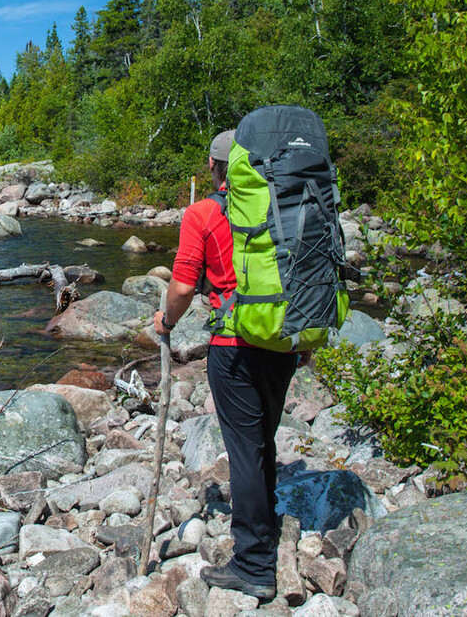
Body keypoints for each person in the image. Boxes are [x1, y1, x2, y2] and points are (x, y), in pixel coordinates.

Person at [152, 129, 309, 601]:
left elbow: (181, 288)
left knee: (245, 449)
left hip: (232, 344)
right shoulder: (283, 207)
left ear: (217, 169)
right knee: (263, 439)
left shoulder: (203, 213)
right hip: (282, 341)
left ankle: (255, 564)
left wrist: (165, 320)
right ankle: (264, 525)